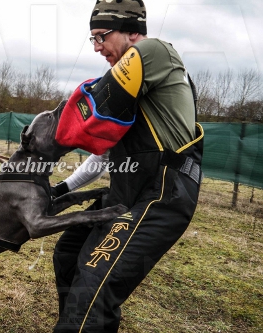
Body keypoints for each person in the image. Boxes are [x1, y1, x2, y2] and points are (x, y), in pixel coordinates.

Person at [51, 0, 204, 332]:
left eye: (101, 36)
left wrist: (51, 143)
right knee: (68, 254)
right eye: (92, 39)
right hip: (126, 191)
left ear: (133, 31)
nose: (96, 47)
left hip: (162, 194)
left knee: (93, 290)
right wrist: (61, 190)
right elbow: (102, 155)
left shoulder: (153, 51)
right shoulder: (132, 77)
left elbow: (88, 116)